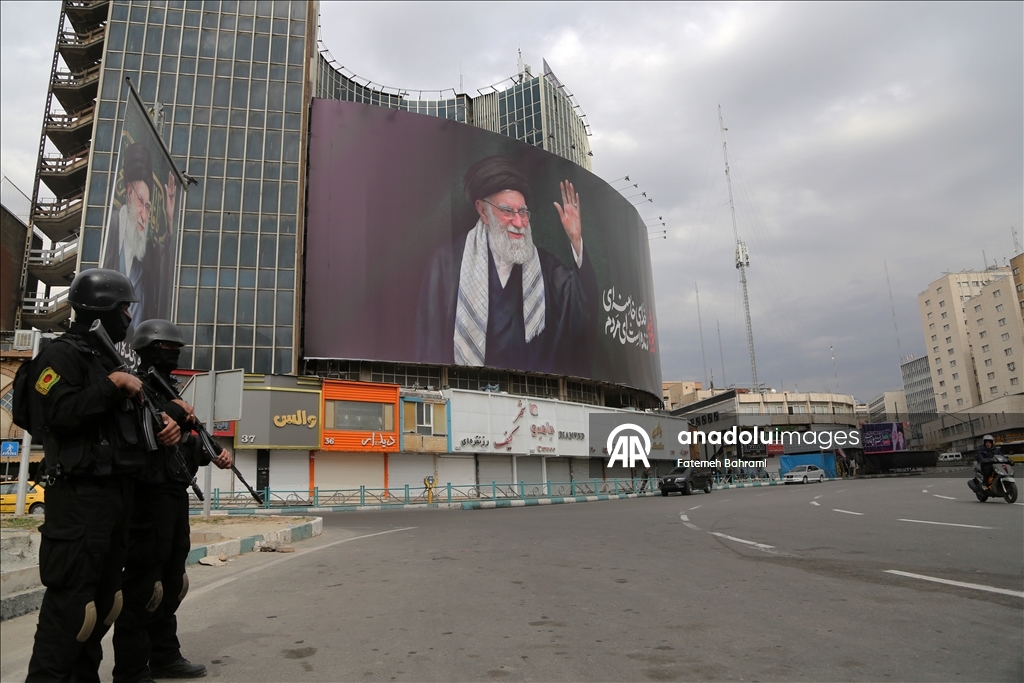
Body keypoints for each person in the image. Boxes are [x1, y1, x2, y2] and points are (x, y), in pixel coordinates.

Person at [26, 269, 180, 683]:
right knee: (72, 609)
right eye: (124, 308)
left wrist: (166, 425)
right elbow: (58, 413)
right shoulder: (62, 355)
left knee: (105, 604)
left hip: (117, 496)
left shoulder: (107, 358)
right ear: (102, 308)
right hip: (79, 499)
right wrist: (112, 385)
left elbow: (132, 426)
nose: (128, 317)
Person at [113, 319, 234, 682]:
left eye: (176, 348)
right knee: (143, 585)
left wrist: (211, 452)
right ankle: (131, 670)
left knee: (171, 581)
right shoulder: (135, 387)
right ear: (150, 349)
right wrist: (179, 411)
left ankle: (164, 655)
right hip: (146, 499)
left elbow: (178, 445)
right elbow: (144, 436)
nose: (174, 354)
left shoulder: (170, 389)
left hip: (173, 495)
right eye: (168, 347)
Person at [416, 156, 599, 377]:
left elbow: (580, 306)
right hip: (464, 388)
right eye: (507, 211)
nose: (519, 222)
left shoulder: (545, 266)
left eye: (522, 212)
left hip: (531, 391)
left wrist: (576, 240)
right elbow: (430, 343)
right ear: (483, 211)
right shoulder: (446, 263)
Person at [100, 141, 177, 337]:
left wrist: (169, 220)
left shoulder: (145, 250)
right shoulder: (112, 229)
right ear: (128, 193)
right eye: (141, 202)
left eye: (148, 207)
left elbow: (163, 267)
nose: (144, 215)